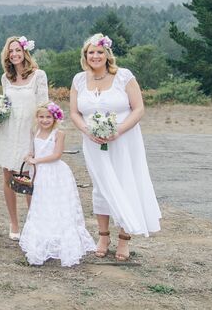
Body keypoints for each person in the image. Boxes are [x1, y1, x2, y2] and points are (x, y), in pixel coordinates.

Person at [69, 33, 161, 261]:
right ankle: (103, 236)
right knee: (100, 187)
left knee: (125, 183)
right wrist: (88, 131)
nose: (95, 56)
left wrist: (118, 130)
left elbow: (138, 108)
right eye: (91, 52)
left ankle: (123, 238)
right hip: (93, 142)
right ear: (85, 56)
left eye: (100, 52)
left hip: (124, 140)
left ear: (107, 54)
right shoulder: (79, 80)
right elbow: (74, 112)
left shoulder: (124, 76)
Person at [19, 102, 96, 266]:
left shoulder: (58, 133)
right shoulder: (35, 131)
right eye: (41, 117)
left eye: (48, 117)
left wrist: (37, 160)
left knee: (57, 205)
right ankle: (43, 240)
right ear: (37, 118)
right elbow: (33, 150)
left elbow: (57, 155)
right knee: (42, 205)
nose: (45, 120)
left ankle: (61, 241)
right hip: (39, 173)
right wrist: (29, 156)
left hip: (54, 173)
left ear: (55, 118)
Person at [0, 36, 48, 240]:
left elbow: (44, 106)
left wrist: (40, 135)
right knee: (8, 178)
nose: (14, 54)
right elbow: (5, 105)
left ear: (25, 52)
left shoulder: (38, 75)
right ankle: (14, 223)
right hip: (8, 132)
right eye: (10, 51)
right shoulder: (5, 79)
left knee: (29, 178)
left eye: (17, 50)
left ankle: (33, 223)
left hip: (28, 132)